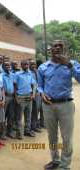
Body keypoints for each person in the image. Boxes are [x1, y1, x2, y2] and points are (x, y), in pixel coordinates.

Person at [38, 40, 80, 170]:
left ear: (64, 48)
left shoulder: (72, 64)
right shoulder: (43, 67)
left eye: (60, 46)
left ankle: (64, 165)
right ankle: (55, 160)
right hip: (48, 106)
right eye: (54, 46)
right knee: (52, 135)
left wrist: (69, 65)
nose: (57, 48)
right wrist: (41, 93)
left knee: (66, 137)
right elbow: (40, 86)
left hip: (65, 105)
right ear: (50, 49)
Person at [14, 60, 35, 139]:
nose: (26, 66)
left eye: (27, 64)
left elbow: (32, 84)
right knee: (19, 117)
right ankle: (19, 133)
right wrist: (16, 97)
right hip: (21, 97)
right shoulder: (17, 74)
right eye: (25, 64)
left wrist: (32, 94)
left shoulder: (30, 74)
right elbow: (15, 86)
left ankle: (27, 131)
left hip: (29, 97)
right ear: (21, 65)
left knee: (28, 115)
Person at [2, 61, 15, 139]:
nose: (8, 67)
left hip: (12, 97)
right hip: (5, 97)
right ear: (3, 67)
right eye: (6, 65)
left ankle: (9, 132)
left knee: (11, 115)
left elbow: (14, 85)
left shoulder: (12, 75)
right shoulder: (1, 75)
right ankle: (2, 133)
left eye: (9, 65)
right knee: (4, 116)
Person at [29, 60, 42, 133]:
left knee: (36, 110)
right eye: (32, 64)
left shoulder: (36, 72)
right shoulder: (28, 73)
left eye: (34, 64)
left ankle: (35, 125)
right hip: (31, 94)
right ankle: (31, 127)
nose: (33, 65)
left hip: (37, 93)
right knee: (32, 111)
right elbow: (32, 84)